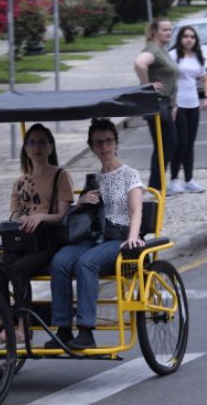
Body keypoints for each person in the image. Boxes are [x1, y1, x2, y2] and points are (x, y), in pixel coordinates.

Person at [46, 119, 145, 350]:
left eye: (108, 141)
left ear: (116, 143)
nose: (104, 147)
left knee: (86, 263)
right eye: (99, 143)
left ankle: (86, 330)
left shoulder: (129, 174)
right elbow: (85, 217)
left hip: (119, 237)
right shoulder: (95, 179)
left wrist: (133, 236)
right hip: (93, 238)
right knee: (59, 262)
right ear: (92, 147)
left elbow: (136, 209)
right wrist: (82, 201)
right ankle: (63, 328)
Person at [0, 124, 73, 343]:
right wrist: (19, 221)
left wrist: (41, 217)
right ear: (25, 148)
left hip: (48, 241)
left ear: (50, 147)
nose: (37, 147)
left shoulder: (61, 176)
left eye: (42, 142)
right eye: (32, 143)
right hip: (23, 241)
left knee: (18, 269)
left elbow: (63, 216)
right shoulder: (19, 182)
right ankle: (4, 323)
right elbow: (15, 215)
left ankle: (24, 326)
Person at [134, 18, 179, 196]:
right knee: (166, 144)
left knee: (165, 145)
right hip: (158, 104)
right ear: (154, 32)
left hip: (165, 104)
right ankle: (157, 187)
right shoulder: (152, 49)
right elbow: (139, 63)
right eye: (164, 29)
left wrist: (173, 105)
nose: (168, 32)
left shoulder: (162, 50)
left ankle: (157, 186)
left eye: (170, 29)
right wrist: (147, 86)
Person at [168, 25, 207, 194]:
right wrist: (171, 103)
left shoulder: (197, 57)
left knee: (190, 143)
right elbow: (166, 78)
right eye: (186, 36)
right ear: (180, 38)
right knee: (180, 143)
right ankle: (174, 180)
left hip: (193, 104)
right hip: (177, 104)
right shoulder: (173, 56)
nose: (189, 39)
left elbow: (205, 79)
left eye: (192, 37)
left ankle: (189, 180)